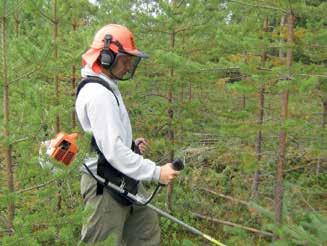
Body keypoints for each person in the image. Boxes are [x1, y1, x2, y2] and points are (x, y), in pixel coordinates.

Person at [75, 24, 180, 245]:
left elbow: (108, 140)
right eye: (125, 59)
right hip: (104, 184)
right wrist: (156, 172)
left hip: (123, 177)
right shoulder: (98, 95)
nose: (129, 65)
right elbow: (113, 151)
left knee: (146, 232)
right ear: (105, 57)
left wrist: (129, 146)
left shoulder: (106, 85)